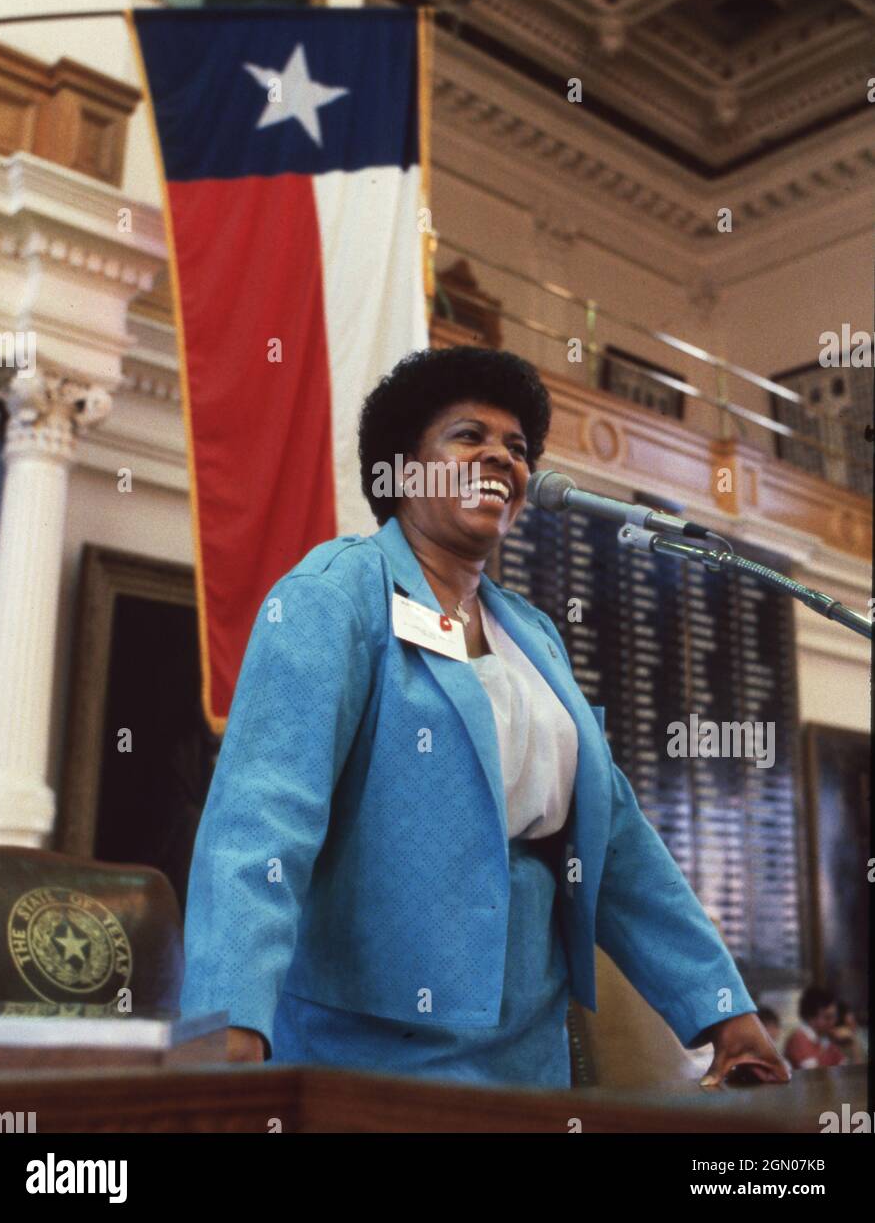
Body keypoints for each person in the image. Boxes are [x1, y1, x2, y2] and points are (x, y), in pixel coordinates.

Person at [180, 345, 790, 1090]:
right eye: (469, 436)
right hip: (371, 1051)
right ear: (403, 470)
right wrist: (228, 1023)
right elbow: (259, 821)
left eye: (517, 447)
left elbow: (618, 845)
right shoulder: (333, 597)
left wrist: (722, 1011)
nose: (501, 457)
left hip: (529, 1046)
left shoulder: (533, 637)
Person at [785, 987, 847, 1069]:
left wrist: (852, 1043)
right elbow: (814, 1073)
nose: (833, 1022)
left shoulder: (824, 1037)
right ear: (811, 1018)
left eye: (834, 1017)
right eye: (827, 1017)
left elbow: (845, 1066)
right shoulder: (799, 1038)